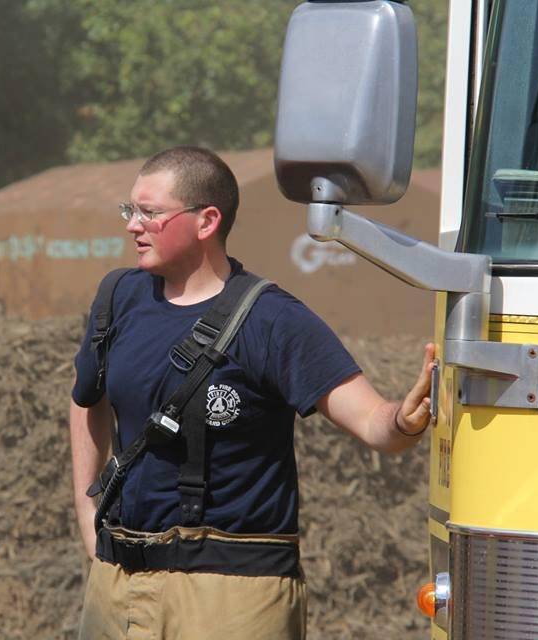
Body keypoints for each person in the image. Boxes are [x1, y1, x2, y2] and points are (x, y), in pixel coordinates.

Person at [69, 145, 435, 639]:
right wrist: (86, 509)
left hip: (233, 594)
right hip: (118, 583)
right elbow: (86, 397)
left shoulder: (274, 321)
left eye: (150, 213)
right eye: (130, 210)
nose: (133, 224)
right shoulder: (117, 297)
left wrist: (402, 420)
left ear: (206, 221)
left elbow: (374, 423)